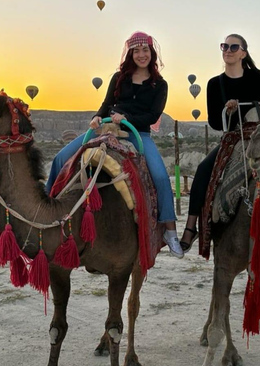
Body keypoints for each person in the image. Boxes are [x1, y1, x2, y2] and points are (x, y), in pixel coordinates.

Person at [45, 31, 184, 259]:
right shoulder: (118, 77)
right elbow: (107, 103)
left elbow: (152, 115)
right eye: (136, 50)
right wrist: (97, 117)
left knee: (160, 176)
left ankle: (170, 232)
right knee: (62, 157)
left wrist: (127, 119)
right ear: (130, 53)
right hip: (107, 129)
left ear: (152, 52)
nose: (141, 55)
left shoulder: (159, 84)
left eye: (145, 50)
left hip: (138, 133)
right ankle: (49, 204)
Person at [179, 33, 260, 252]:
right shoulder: (215, 84)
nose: (228, 50)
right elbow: (215, 123)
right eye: (224, 46)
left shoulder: (257, 77)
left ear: (243, 53)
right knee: (203, 169)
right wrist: (227, 109)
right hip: (234, 138)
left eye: (234, 47)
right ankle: (190, 227)